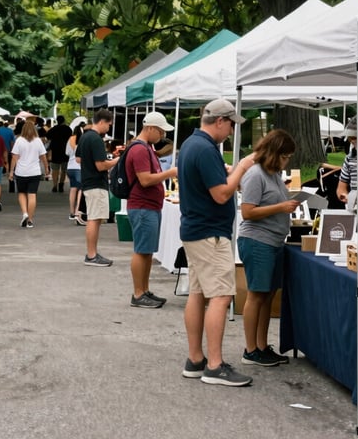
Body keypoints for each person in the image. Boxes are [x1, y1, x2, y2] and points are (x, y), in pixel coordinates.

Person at [178, 98, 256, 387]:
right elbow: (222, 195)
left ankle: (196, 359)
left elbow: (210, 183)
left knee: (198, 294)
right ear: (220, 121)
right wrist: (243, 166)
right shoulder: (206, 148)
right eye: (232, 124)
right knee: (221, 297)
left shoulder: (190, 144)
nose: (232, 131)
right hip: (210, 233)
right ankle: (214, 365)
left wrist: (227, 171)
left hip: (196, 230)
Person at [237, 129, 300, 366]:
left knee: (267, 294)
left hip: (274, 241)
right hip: (257, 241)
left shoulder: (273, 174)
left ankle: (262, 345)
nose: (287, 161)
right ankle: (250, 350)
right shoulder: (255, 174)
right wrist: (281, 207)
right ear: (275, 153)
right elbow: (248, 212)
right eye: (285, 156)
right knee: (256, 294)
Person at [126, 112, 178, 308]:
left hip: (148, 206)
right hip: (142, 206)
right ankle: (138, 293)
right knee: (141, 250)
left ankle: (144, 290)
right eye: (160, 130)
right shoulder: (140, 150)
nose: (162, 135)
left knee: (147, 251)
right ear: (150, 128)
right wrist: (169, 173)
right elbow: (145, 179)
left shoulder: (145, 148)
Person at [77, 108, 118, 266]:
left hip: (87, 181)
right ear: (101, 122)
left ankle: (92, 253)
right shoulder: (96, 140)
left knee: (94, 217)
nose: (109, 128)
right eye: (108, 125)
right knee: (95, 219)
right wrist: (116, 161)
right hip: (96, 183)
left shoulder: (85, 136)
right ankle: (92, 255)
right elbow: (101, 166)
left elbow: (79, 159)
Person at [8, 120, 49, 228]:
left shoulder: (19, 140)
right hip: (35, 172)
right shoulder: (38, 141)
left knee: (22, 193)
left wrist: (11, 171)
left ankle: (25, 213)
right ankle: (30, 220)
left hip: (21, 172)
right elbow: (43, 157)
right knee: (32, 195)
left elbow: (14, 158)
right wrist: (46, 168)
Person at [66, 122, 86, 224]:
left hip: (70, 167)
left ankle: (71, 212)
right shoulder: (83, 141)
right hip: (79, 168)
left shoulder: (70, 140)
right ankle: (78, 211)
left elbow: (67, 153)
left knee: (73, 189)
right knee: (81, 189)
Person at [47, 115, 73, 193]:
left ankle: (55, 185)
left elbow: (48, 136)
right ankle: (61, 184)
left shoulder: (53, 129)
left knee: (55, 170)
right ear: (64, 121)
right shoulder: (68, 129)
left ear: (57, 121)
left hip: (55, 151)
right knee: (64, 170)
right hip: (65, 152)